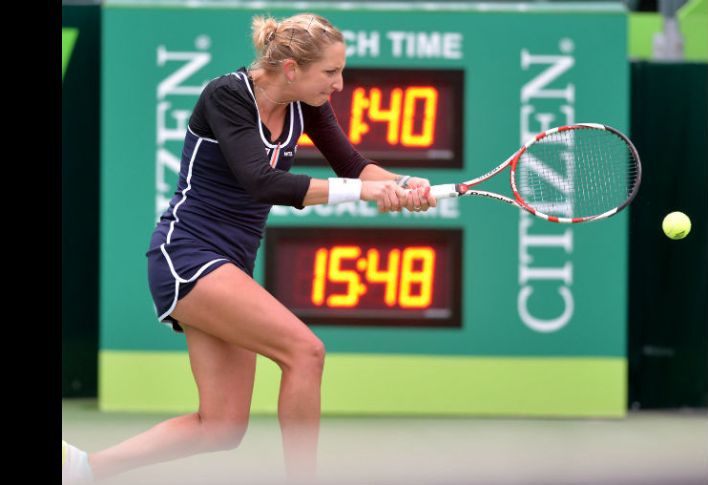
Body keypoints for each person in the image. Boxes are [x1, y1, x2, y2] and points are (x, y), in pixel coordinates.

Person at [62, 12, 436, 484]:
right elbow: (261, 182)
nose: (339, 85)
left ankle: (83, 469)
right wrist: (364, 193)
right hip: (187, 255)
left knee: (220, 426)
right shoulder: (226, 95)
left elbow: (352, 164)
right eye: (330, 72)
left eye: (341, 72)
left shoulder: (307, 103)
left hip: (228, 264)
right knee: (306, 352)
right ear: (291, 67)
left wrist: (404, 185)